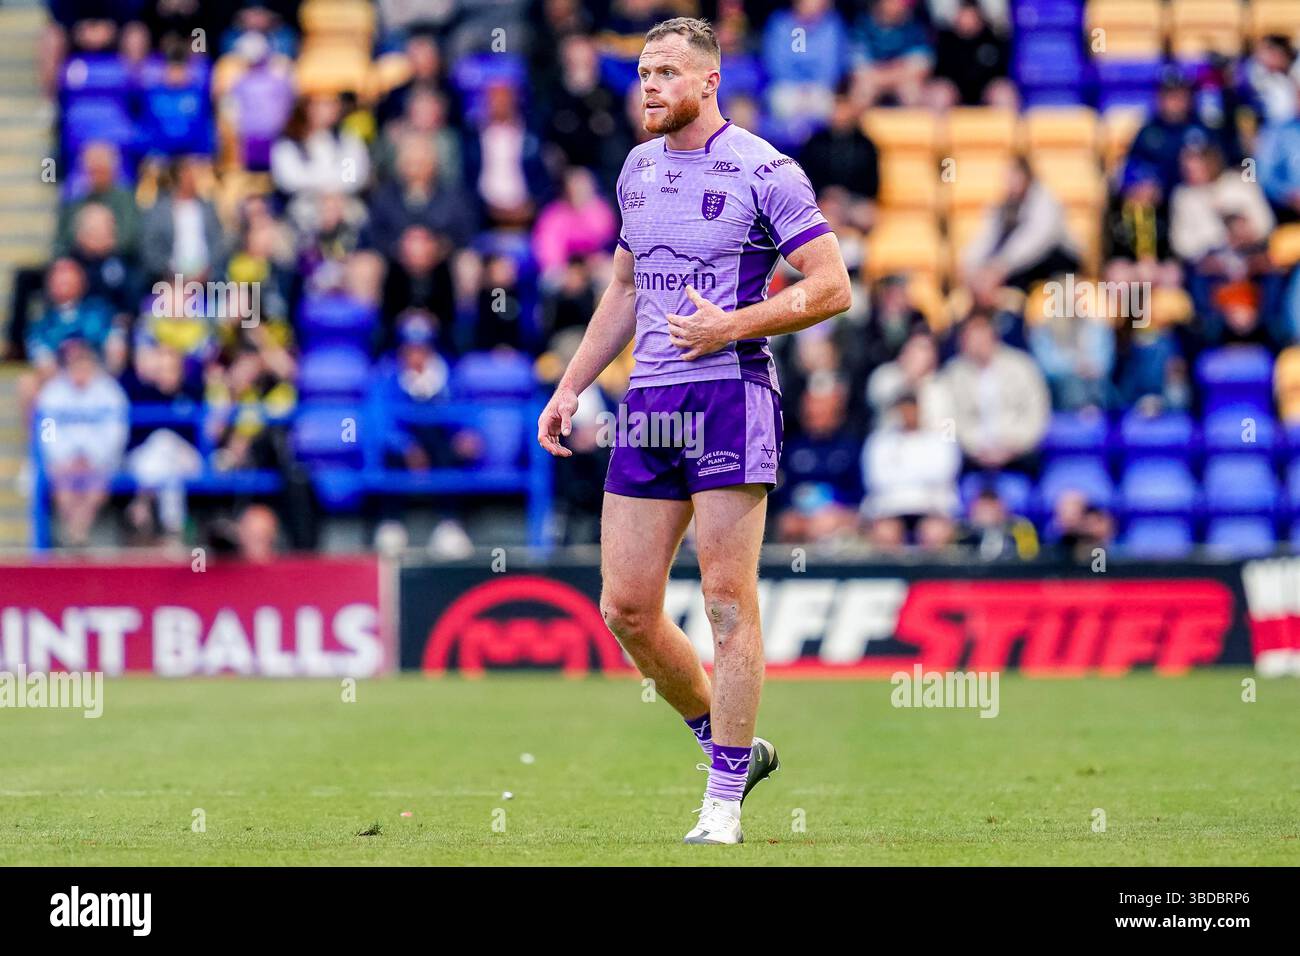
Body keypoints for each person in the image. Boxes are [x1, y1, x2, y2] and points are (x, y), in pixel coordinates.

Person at [536, 17, 851, 846]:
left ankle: (720, 805)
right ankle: (733, 747)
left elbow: (831, 288)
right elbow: (626, 293)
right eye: (643, 72)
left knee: (724, 601)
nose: (649, 86)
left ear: (708, 82)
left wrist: (733, 325)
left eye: (667, 73)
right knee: (627, 607)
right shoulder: (637, 169)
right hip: (649, 402)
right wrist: (570, 386)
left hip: (731, 393)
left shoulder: (764, 170)